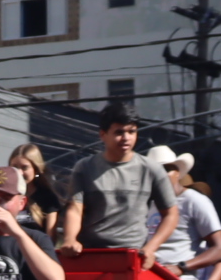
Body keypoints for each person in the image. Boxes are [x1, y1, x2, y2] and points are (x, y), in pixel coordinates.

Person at [60, 105, 178, 267]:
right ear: (103, 134)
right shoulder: (85, 167)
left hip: (132, 256)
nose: (126, 138)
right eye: (119, 132)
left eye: (132, 131)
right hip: (91, 254)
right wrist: (70, 239)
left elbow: (171, 214)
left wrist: (151, 248)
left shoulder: (151, 169)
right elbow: (75, 209)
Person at [143, 146, 221, 280]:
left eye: (166, 170)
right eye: (155, 172)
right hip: (151, 278)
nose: (161, 176)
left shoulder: (195, 201)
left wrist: (181, 267)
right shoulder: (152, 203)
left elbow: (220, 250)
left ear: (178, 173)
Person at [7, 143, 66, 232]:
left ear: (36, 169)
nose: (19, 172)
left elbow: (50, 238)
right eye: (15, 167)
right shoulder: (4, 195)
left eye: (24, 167)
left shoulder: (48, 198)